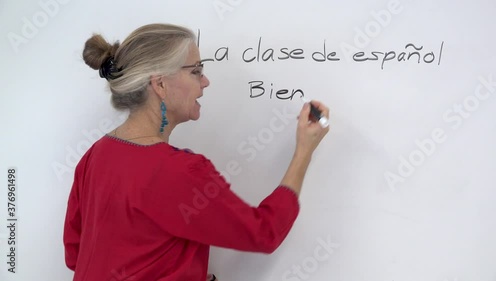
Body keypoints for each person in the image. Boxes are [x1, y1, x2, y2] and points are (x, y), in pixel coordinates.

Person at [63, 23, 329, 281]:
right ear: (160, 84)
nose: (206, 82)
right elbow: (264, 233)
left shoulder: (95, 155)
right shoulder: (178, 172)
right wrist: (304, 151)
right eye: (196, 71)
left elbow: (76, 255)